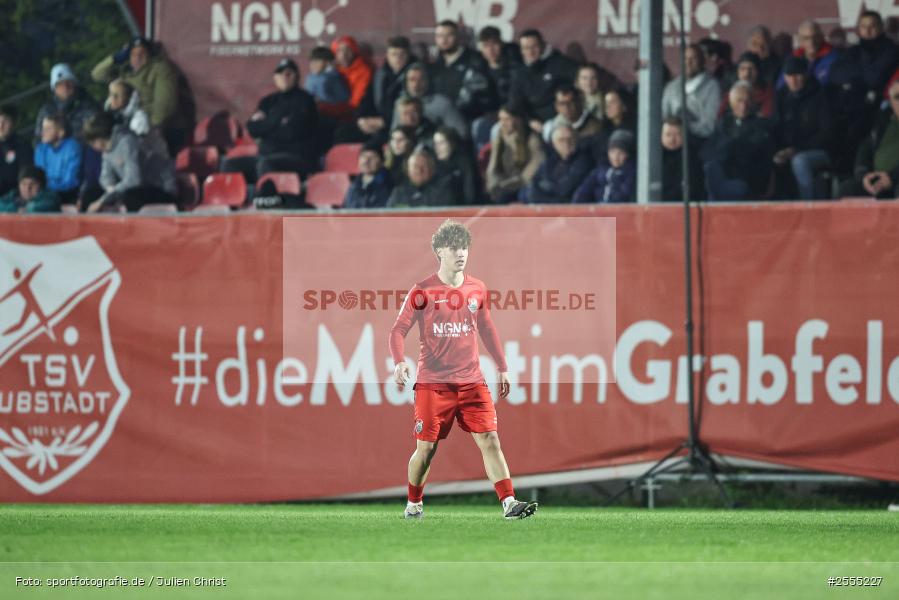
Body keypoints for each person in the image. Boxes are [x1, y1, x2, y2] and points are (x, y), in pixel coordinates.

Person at [390, 218, 538, 521]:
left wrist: (503, 367)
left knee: (490, 439)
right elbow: (397, 331)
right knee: (426, 449)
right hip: (434, 385)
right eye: (455, 247)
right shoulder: (422, 291)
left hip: (472, 382)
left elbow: (486, 327)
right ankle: (414, 502)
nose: (462, 253)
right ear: (439, 251)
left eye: (465, 247)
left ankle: (509, 503)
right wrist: (399, 361)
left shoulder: (477, 289)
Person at [225, 58, 319, 182]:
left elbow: (291, 132)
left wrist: (266, 125)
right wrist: (278, 123)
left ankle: (267, 200)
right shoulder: (268, 101)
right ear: (275, 78)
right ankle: (240, 199)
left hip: (296, 158)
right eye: (281, 73)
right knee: (229, 164)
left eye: (289, 73)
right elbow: (252, 128)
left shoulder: (305, 100)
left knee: (266, 164)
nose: (285, 76)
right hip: (266, 156)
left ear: (297, 76)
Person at [91, 37, 191, 152]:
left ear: (150, 54)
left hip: (152, 130)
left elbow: (164, 105)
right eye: (133, 54)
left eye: (142, 54)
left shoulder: (160, 69)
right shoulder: (125, 70)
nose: (137, 58)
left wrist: (148, 131)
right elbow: (97, 74)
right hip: (126, 125)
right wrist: (116, 58)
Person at [82, 111, 177, 213]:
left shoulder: (128, 142)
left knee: (130, 197)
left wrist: (105, 198)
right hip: (134, 188)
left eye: (92, 143)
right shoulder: (106, 152)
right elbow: (105, 177)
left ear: (99, 139)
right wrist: (110, 190)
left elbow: (134, 180)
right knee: (90, 195)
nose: (92, 147)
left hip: (159, 187)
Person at [773, 56, 834, 199]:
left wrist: (796, 149)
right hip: (788, 150)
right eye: (789, 76)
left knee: (799, 161)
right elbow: (775, 127)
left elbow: (827, 134)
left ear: (806, 74)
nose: (793, 80)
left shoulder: (820, 95)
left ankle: (807, 207)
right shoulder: (781, 96)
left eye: (797, 75)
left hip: (820, 151)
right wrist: (779, 150)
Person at [703, 82, 775, 201]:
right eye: (739, 101)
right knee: (710, 167)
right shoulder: (723, 123)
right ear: (731, 103)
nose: (743, 106)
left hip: (747, 179)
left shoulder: (761, 125)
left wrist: (727, 149)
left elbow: (753, 154)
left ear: (753, 102)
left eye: (747, 101)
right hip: (723, 175)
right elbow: (707, 151)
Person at [342, 36, 415, 144]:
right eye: (394, 54)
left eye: (402, 54)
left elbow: (413, 107)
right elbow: (367, 98)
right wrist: (361, 119)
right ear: (387, 56)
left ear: (408, 55)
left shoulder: (415, 75)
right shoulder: (380, 74)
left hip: (400, 125)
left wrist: (384, 121)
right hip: (377, 122)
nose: (398, 58)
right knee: (343, 133)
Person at [508, 29, 578, 131]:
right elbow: (515, 103)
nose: (530, 52)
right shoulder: (520, 73)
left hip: (559, 119)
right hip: (531, 122)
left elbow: (579, 82)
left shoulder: (560, 63)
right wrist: (530, 121)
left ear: (542, 45)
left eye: (534, 47)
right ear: (521, 50)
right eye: (526, 48)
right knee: (499, 129)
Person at [839, 80, 899, 198]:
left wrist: (892, 177)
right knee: (847, 189)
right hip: (878, 179)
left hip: (895, 180)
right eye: (897, 97)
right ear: (891, 101)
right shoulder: (884, 120)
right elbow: (865, 148)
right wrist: (864, 175)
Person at [430, 20, 497, 121]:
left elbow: (481, 94)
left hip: (468, 117)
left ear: (458, 36)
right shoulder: (435, 65)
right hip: (441, 118)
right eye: (439, 36)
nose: (444, 40)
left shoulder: (474, 60)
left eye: (448, 35)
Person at [485, 103, 544, 203]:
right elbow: (492, 167)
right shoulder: (499, 139)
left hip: (524, 183)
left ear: (518, 120)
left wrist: (511, 184)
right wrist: (494, 184)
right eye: (501, 119)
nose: (503, 123)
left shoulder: (531, 139)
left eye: (507, 119)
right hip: (504, 182)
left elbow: (535, 165)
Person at [662, 44, 721, 140]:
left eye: (693, 58)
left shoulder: (712, 86)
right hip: (673, 143)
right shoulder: (671, 87)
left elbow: (709, 126)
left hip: (700, 142)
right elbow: (664, 117)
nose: (688, 62)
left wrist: (683, 129)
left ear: (702, 61)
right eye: (685, 58)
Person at [394, 63, 468, 138]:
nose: (416, 84)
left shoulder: (442, 103)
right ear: (405, 82)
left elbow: (461, 132)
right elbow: (393, 133)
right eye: (412, 80)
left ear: (428, 80)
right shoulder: (400, 104)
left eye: (421, 79)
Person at [34, 63, 100, 144]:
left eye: (68, 82)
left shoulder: (89, 104)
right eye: (59, 84)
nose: (65, 86)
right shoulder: (46, 110)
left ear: (75, 83)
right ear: (54, 88)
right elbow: (38, 139)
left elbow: (97, 131)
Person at [527, 125, 592, 203]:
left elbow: (565, 190)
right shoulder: (550, 161)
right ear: (554, 144)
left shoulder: (584, 161)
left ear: (576, 140)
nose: (566, 143)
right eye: (561, 140)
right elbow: (534, 185)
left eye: (570, 139)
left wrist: (546, 187)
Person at [573, 129, 636, 203]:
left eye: (621, 153)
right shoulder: (600, 170)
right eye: (612, 152)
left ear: (628, 154)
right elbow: (582, 192)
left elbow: (624, 195)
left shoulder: (631, 173)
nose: (615, 157)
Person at [387, 148, 459, 207]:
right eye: (415, 166)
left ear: (432, 169)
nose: (419, 170)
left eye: (424, 166)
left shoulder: (444, 193)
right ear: (408, 171)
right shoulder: (398, 193)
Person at [34, 114, 82, 202]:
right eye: (43, 128)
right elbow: (38, 176)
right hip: (43, 193)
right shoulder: (41, 148)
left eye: (48, 128)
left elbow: (70, 181)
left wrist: (46, 187)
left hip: (66, 195)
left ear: (61, 132)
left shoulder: (72, 148)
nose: (43, 132)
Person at [778, 20, 840, 88]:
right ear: (800, 40)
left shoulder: (835, 59)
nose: (811, 42)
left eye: (815, 37)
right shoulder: (792, 58)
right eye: (806, 38)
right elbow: (781, 86)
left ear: (822, 37)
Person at [660, 117, 705, 202]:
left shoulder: (692, 158)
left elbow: (694, 189)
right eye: (668, 135)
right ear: (661, 136)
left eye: (677, 134)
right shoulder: (653, 158)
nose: (672, 139)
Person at [329, 35, 374, 119]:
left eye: (348, 50)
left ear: (354, 51)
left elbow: (355, 104)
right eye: (339, 50)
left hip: (353, 115)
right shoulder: (332, 70)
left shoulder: (363, 70)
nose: (343, 54)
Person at [433, 127, 480, 204]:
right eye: (435, 144)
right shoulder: (434, 164)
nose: (437, 148)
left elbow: (470, 194)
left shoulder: (465, 163)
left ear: (453, 143)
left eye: (441, 143)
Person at [719, 52, 774, 118]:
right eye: (742, 69)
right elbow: (720, 117)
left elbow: (766, 117)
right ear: (737, 72)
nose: (747, 73)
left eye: (752, 69)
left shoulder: (767, 91)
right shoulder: (731, 92)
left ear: (758, 71)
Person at [342, 142, 392, 209]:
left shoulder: (388, 184)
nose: (366, 161)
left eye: (372, 157)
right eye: (363, 156)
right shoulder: (354, 184)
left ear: (382, 161)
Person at [0, 106, 33, 196]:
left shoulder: (23, 146)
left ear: (14, 123)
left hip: (12, 197)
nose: (1, 125)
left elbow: (25, 176)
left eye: (5, 121)